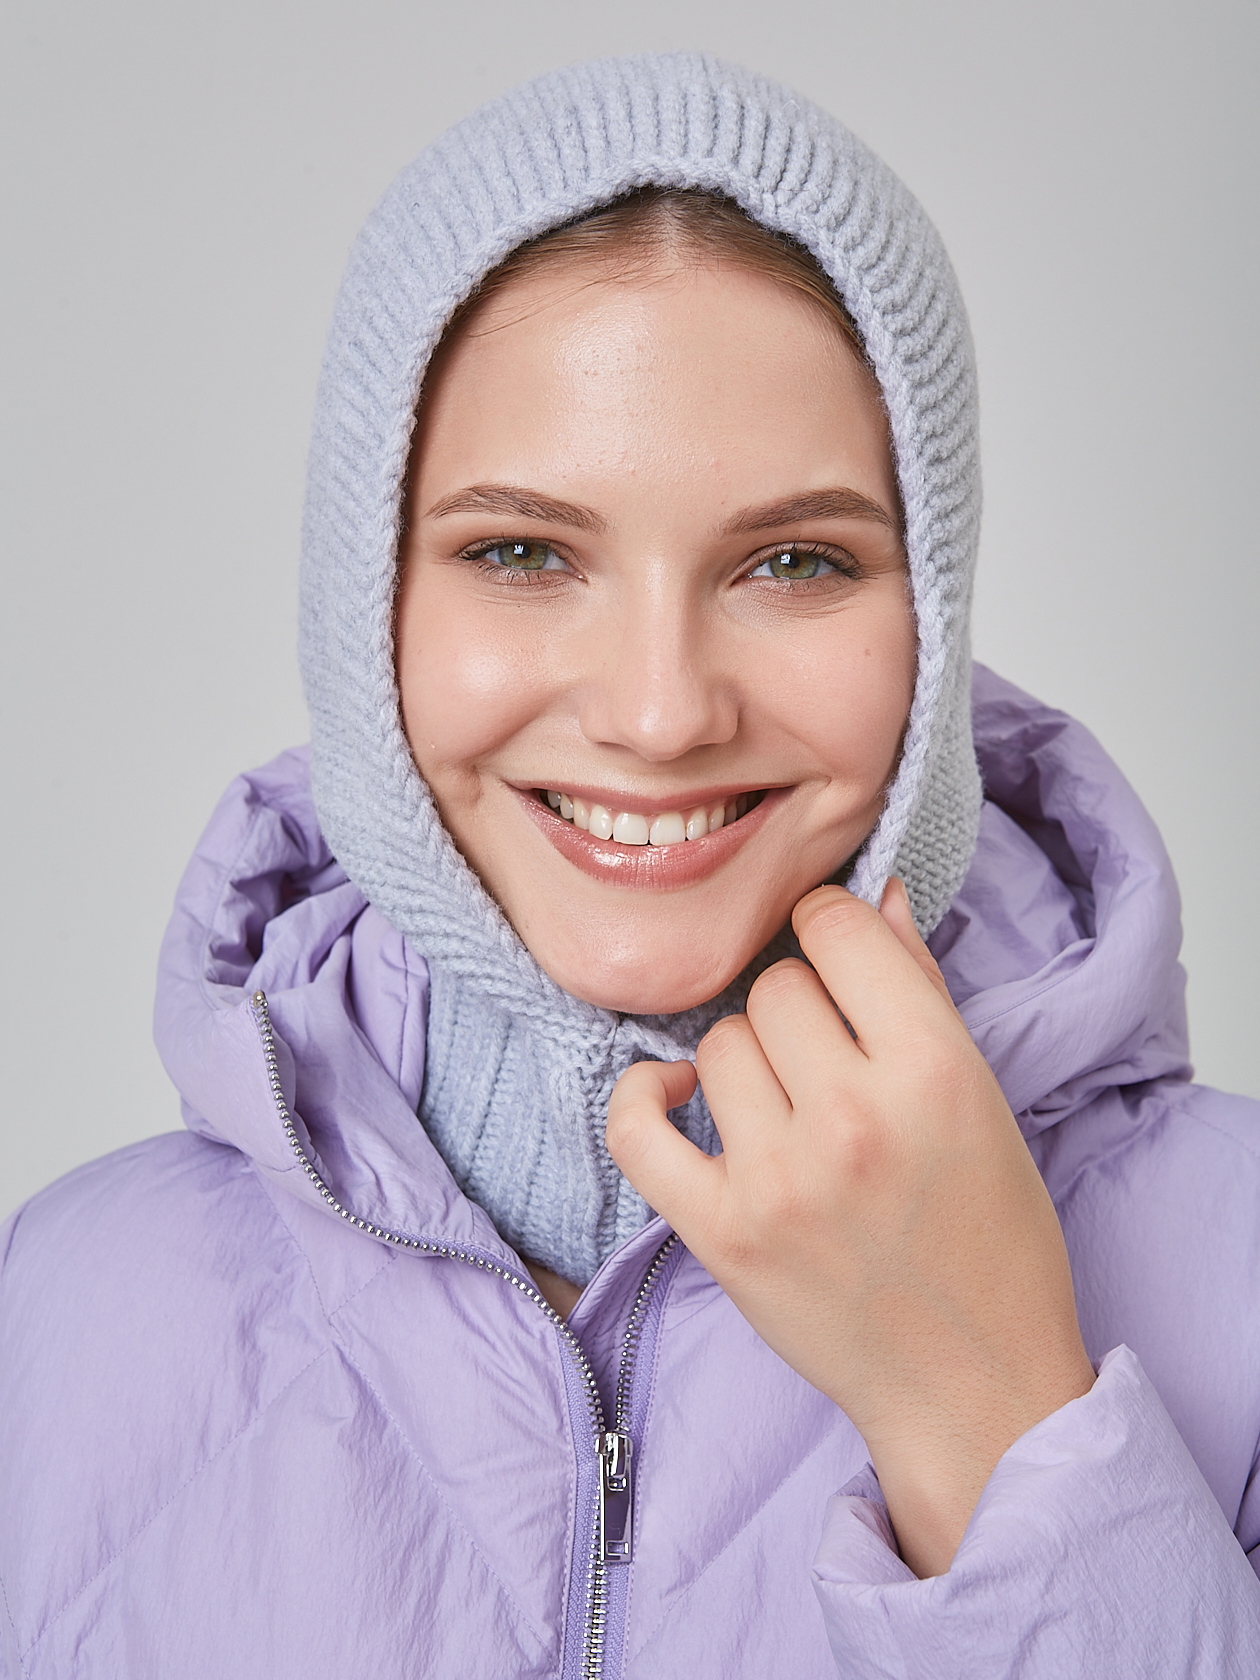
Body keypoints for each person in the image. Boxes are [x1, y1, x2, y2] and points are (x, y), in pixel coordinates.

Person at [1, 50, 1257, 1678]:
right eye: (522, 552)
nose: (661, 713)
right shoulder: (59, 1310)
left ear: (932, 614)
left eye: (794, 560)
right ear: (365, 606)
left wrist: (991, 1414)